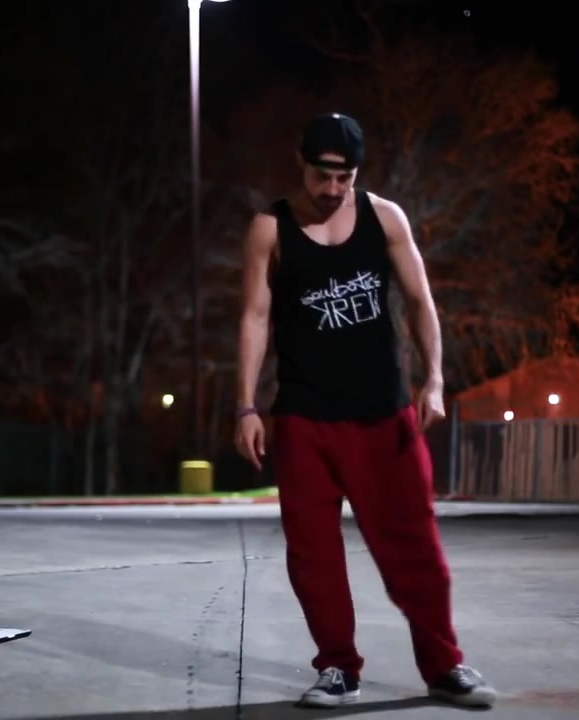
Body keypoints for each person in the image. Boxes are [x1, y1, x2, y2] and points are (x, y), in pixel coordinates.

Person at [232, 112, 497, 709]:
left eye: (344, 178)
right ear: (301, 163)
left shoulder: (385, 218)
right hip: (304, 415)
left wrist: (435, 380)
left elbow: (421, 300)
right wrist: (245, 405)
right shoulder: (270, 229)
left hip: (383, 413)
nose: (332, 189)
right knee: (313, 556)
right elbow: (254, 317)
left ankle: (444, 666)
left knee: (415, 548)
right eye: (322, 176)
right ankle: (337, 668)